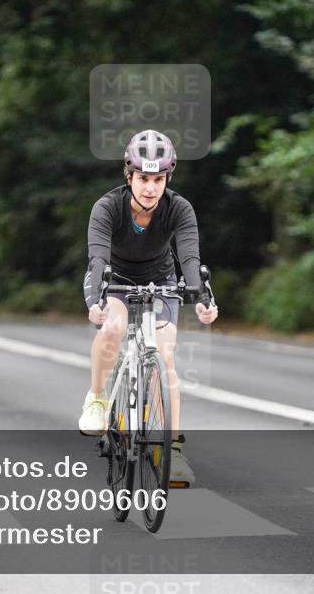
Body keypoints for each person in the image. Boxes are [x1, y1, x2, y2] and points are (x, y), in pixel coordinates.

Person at [80, 130, 218, 485]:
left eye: (158, 180)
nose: (150, 188)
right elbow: (97, 259)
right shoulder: (107, 207)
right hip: (114, 279)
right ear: (129, 176)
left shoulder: (179, 208)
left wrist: (203, 299)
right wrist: (96, 301)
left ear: (167, 178)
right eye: (143, 178)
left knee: (165, 356)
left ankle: (172, 452)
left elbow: (190, 259)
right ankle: (96, 398)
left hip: (161, 279)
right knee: (113, 328)